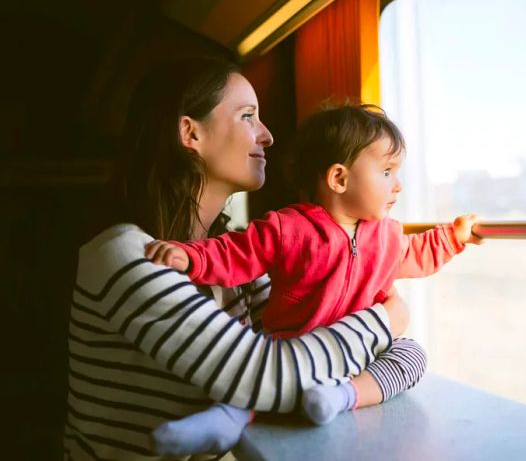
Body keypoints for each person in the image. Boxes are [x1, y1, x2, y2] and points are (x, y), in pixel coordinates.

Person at [63, 58, 413, 461]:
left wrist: (391, 346)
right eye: (248, 116)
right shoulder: (126, 255)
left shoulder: (237, 263)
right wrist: (388, 319)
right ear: (189, 132)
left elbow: (313, 342)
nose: (267, 136)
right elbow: (265, 375)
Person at [145, 104, 483, 455]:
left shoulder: (388, 237)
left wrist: (454, 237)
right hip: (294, 348)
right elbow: (235, 253)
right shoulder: (286, 228)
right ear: (339, 178)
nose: (397, 186)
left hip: (361, 354)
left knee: (412, 354)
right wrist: (192, 256)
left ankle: (342, 396)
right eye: (386, 171)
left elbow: (419, 253)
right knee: (253, 375)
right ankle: (226, 419)